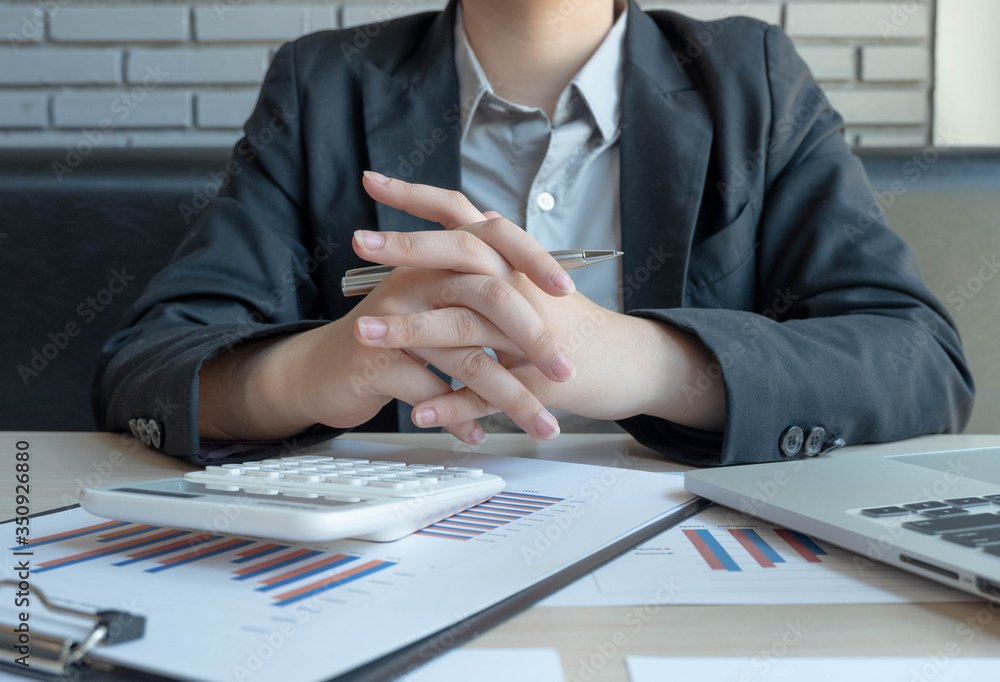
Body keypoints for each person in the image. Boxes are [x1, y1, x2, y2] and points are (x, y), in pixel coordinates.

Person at [93, 0, 974, 466]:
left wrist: (644, 359)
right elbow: (146, 369)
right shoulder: (324, 83)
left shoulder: (754, 80)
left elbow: (919, 363)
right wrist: (317, 368)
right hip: (381, 579)